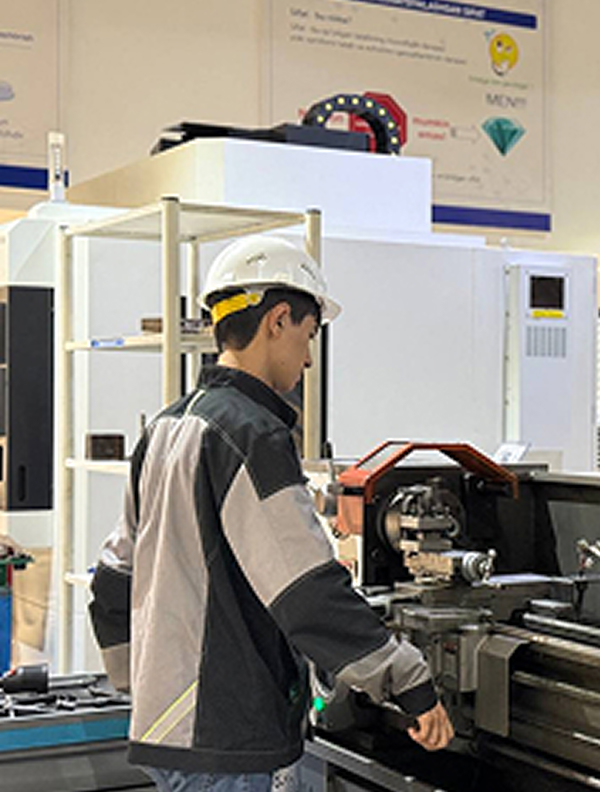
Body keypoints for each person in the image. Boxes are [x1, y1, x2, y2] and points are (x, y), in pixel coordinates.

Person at [88, 236, 453, 792]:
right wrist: (408, 680)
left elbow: (113, 578)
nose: (308, 358)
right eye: (310, 334)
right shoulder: (251, 435)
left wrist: (141, 680)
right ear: (279, 319)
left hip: (167, 731)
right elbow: (306, 591)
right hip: (228, 739)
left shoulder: (165, 428)